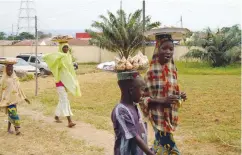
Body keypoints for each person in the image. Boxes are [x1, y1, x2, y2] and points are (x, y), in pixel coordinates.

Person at [139, 33, 187, 154]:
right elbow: (141, 99)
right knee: (171, 148)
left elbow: (173, 91)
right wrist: (162, 101)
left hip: (170, 116)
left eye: (171, 49)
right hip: (158, 116)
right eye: (164, 48)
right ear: (157, 49)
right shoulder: (151, 72)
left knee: (160, 146)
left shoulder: (173, 70)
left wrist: (180, 95)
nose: (168, 52)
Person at [111, 71, 155, 155]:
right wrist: (149, 152)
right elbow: (134, 136)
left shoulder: (135, 106)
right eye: (142, 90)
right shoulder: (121, 111)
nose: (143, 94)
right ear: (131, 90)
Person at [43, 42, 81, 128]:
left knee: (62, 100)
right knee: (65, 100)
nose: (66, 49)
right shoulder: (59, 58)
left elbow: (70, 70)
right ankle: (69, 121)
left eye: (67, 47)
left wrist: (71, 82)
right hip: (60, 82)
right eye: (64, 48)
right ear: (61, 48)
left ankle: (56, 116)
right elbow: (50, 60)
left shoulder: (68, 57)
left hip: (66, 82)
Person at [0, 60, 30, 135]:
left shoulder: (15, 78)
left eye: (11, 68)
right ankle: (17, 129)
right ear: (5, 69)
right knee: (14, 114)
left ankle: (8, 129)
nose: (10, 70)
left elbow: (19, 88)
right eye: (8, 68)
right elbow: (1, 90)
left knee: (11, 115)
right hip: (8, 101)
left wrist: (25, 98)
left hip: (14, 100)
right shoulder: (3, 79)